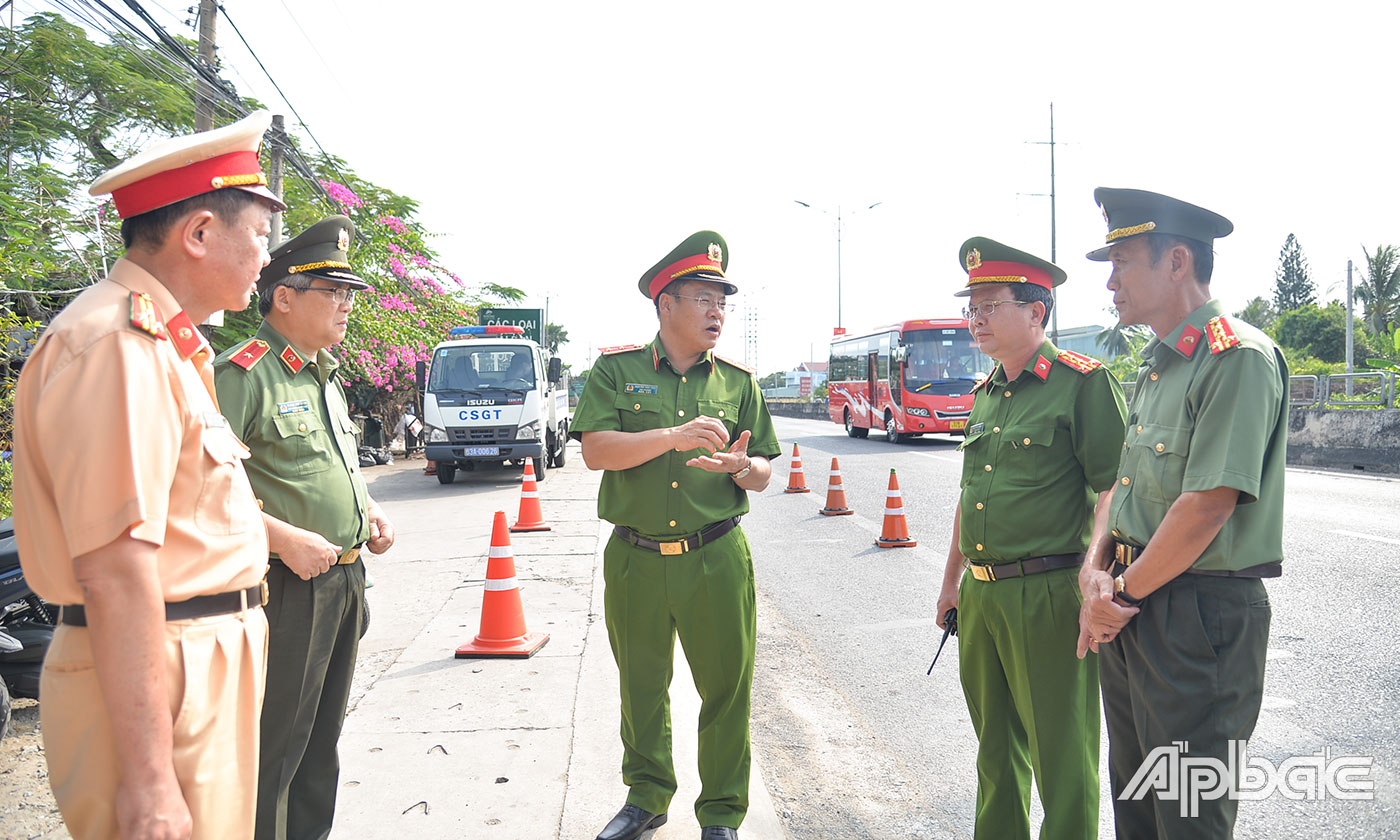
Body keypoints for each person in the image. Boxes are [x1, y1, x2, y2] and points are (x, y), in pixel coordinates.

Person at [11, 111, 285, 840]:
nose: (266, 257)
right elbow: (116, 570)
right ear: (199, 234)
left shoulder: (163, 343)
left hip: (191, 661)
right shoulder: (116, 346)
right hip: (163, 673)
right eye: (259, 236)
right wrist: (149, 779)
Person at [1076, 188, 1288, 839]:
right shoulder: (1158, 366)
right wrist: (1094, 575)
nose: (1109, 283)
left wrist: (1121, 595)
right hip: (1134, 601)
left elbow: (1206, 506)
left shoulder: (1236, 359)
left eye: (1122, 263)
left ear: (1175, 262)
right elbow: (1123, 485)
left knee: (1189, 814)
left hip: (1197, 615)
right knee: (1137, 805)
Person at [569, 231, 781, 840]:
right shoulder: (616, 370)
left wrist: (742, 468)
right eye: (703, 299)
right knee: (640, 685)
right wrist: (672, 436)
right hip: (635, 556)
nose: (717, 313)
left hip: (715, 553)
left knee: (725, 690)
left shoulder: (740, 382)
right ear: (666, 304)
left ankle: (720, 814)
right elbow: (595, 452)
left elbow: (766, 471)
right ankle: (647, 797)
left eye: (722, 302)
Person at [935, 237, 1127, 839]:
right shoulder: (985, 393)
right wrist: (952, 582)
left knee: (1061, 757)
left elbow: (1114, 490)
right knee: (994, 754)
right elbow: (972, 498)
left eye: (991, 305)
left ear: (1037, 312)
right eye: (972, 307)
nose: (976, 319)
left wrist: (1096, 573)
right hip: (984, 596)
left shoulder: (1083, 384)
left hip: (1049, 592)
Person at [213, 215, 396, 840]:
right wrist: (283, 538)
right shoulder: (243, 374)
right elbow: (207, 491)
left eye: (350, 293)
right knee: (278, 745)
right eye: (333, 292)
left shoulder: (325, 376)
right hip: (285, 586)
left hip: (344, 578)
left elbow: (331, 465)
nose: (347, 305)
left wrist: (366, 511)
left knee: (323, 741)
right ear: (284, 296)